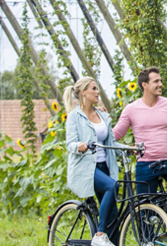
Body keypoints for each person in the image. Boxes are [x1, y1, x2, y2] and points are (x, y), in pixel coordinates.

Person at [113, 66, 167, 245]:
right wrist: (128, 147)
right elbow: (113, 136)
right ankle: (149, 242)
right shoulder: (131, 109)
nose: (161, 84)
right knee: (145, 214)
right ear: (144, 85)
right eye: (156, 81)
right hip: (145, 165)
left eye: (160, 81)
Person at [64, 77, 120, 246]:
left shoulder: (102, 115)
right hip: (87, 168)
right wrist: (79, 146)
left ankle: (109, 239)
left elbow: (111, 143)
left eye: (97, 89)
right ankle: (100, 235)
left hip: (105, 167)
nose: (98, 92)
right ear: (84, 93)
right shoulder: (74, 117)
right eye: (94, 89)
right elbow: (70, 144)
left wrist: (130, 148)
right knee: (112, 186)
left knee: (114, 217)